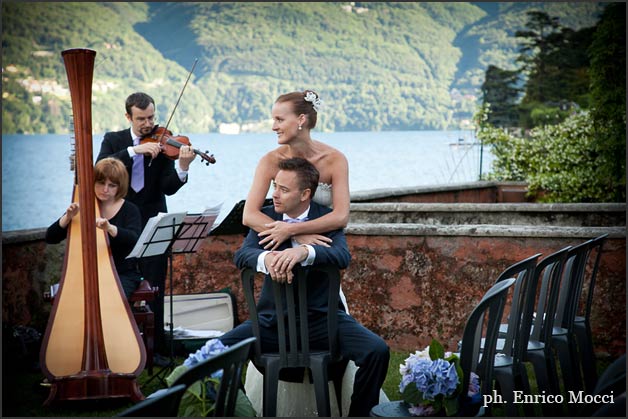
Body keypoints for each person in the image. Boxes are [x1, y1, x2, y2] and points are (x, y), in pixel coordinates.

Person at [220, 157, 390, 417]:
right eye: (275, 186)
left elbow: (342, 256)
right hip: (269, 323)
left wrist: (304, 253)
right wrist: (269, 259)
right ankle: (239, 413)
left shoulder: (327, 220)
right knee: (211, 356)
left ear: (305, 194)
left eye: (284, 190)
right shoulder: (266, 217)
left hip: (323, 320)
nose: (274, 194)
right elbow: (243, 255)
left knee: (377, 351)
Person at [96, 92, 196, 359]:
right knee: (118, 282)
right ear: (128, 116)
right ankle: (115, 345)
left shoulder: (163, 142)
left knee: (156, 286)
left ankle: (157, 350)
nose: (148, 124)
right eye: (141, 118)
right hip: (122, 222)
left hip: (154, 220)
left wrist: (182, 168)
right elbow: (101, 169)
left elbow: (167, 187)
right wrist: (134, 150)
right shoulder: (114, 140)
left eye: (151, 117)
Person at [46, 157, 142, 299]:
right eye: (101, 183)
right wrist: (67, 217)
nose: (105, 189)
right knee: (73, 300)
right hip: (86, 273)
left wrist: (109, 228)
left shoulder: (130, 209)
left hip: (121, 273)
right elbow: (50, 237)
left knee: (110, 298)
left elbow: (133, 239)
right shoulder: (83, 207)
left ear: (120, 186)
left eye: (112, 185)